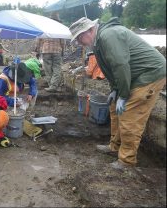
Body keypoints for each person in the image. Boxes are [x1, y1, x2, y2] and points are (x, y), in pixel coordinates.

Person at [69, 17, 166, 169]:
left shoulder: (108, 36)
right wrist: (115, 90)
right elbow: (112, 69)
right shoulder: (98, 41)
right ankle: (115, 146)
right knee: (114, 108)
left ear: (90, 30)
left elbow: (121, 65)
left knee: (130, 116)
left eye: (80, 37)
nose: (79, 42)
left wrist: (123, 95)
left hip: (150, 74)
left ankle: (127, 161)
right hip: (134, 75)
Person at [35, 12, 65, 92]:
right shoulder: (60, 28)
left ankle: (51, 85)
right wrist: (63, 51)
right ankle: (54, 85)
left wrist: (37, 51)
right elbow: (62, 41)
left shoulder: (44, 27)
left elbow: (39, 40)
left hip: (46, 50)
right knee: (56, 68)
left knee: (47, 69)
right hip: (57, 51)